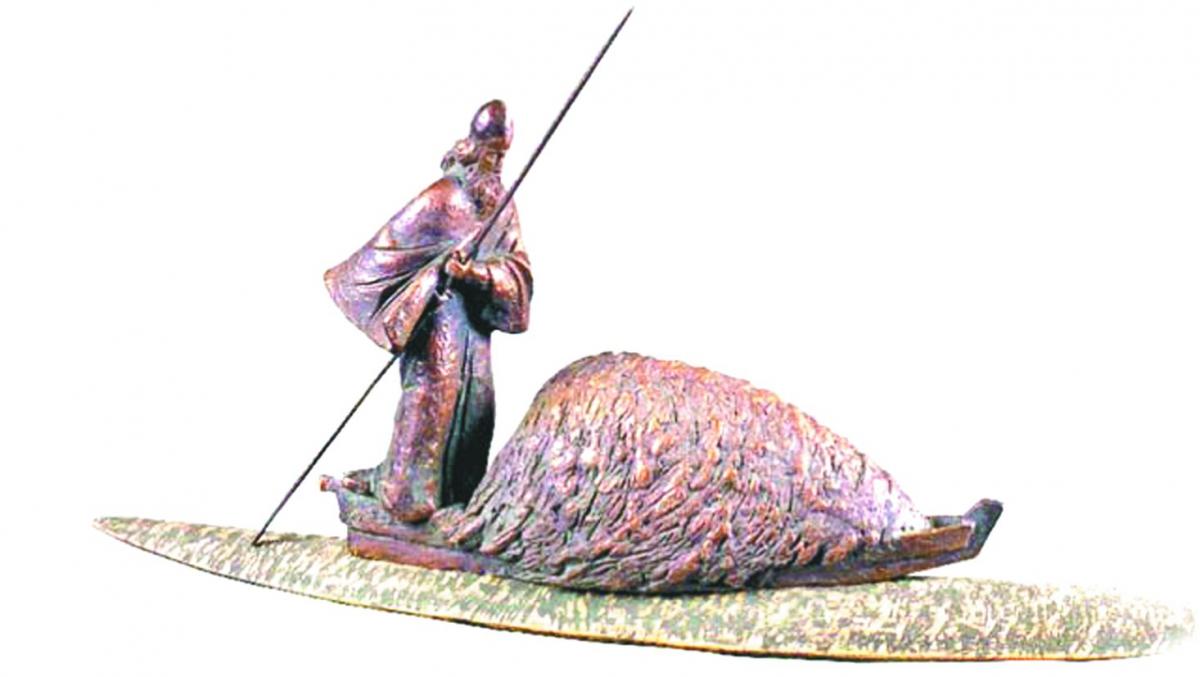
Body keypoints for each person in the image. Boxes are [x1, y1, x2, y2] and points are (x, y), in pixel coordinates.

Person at [324, 100, 533, 522]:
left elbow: (517, 269)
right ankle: (404, 500)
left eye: (502, 157)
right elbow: (385, 253)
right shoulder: (441, 199)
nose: (496, 166)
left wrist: (479, 275)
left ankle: (458, 497)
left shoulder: (503, 208)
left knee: (476, 405)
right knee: (432, 402)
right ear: (472, 149)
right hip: (438, 325)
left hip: (475, 330)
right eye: (490, 155)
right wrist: (434, 278)